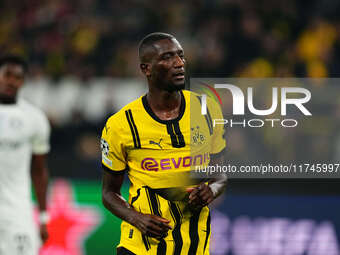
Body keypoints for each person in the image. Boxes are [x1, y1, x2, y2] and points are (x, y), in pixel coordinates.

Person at [101, 32, 226, 255]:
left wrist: (212, 190)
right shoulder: (121, 124)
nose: (179, 63)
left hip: (195, 247)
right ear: (146, 69)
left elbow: (220, 175)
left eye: (181, 56)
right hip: (140, 248)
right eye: (167, 58)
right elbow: (109, 193)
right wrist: (135, 217)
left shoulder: (207, 111)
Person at [0, 55, 51, 254]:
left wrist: (44, 217)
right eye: (7, 75)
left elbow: (39, 171)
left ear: (23, 82)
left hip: (17, 212)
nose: (11, 81)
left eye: (18, 77)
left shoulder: (34, 118)